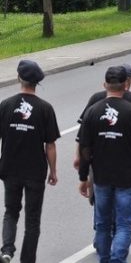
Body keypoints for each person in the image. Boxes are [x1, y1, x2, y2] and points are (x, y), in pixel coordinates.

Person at [78, 66, 131, 263]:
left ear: (105, 84)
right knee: (123, 225)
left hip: (101, 176)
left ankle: (104, 259)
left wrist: (83, 177)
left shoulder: (92, 111)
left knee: (103, 223)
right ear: (126, 84)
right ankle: (117, 259)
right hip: (127, 176)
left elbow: (84, 148)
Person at [0, 60, 59, 263]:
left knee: (11, 211)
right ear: (37, 83)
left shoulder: (5, 105)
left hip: (9, 168)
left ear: (19, 78)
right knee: (32, 219)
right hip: (35, 171)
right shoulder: (45, 109)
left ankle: (7, 251)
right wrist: (53, 171)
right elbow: (50, 145)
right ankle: (27, 260)